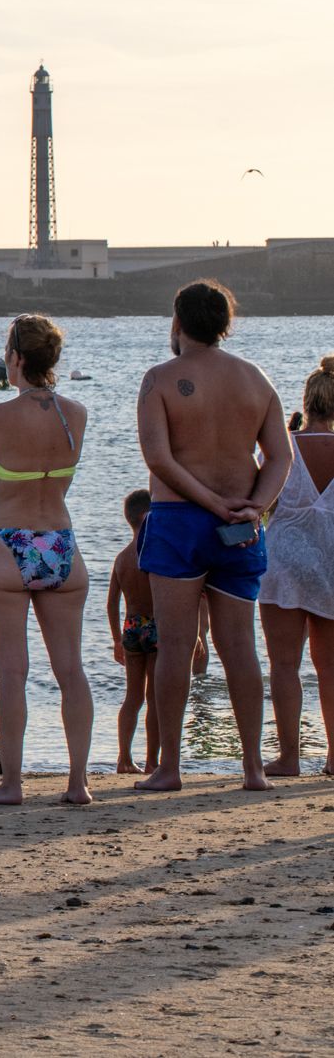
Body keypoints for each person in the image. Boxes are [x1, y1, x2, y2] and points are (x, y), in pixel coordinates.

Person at [135, 280, 292, 793]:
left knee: (176, 646)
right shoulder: (255, 379)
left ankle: (170, 767)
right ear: (226, 322)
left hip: (181, 518)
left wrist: (208, 502)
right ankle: (251, 767)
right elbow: (280, 457)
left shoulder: (160, 379)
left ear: (178, 322)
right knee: (239, 647)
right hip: (240, 524)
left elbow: (159, 459)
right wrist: (255, 505)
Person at [0, 314, 93, 806]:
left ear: (15, 358)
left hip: (7, 541)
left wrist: (0, 479)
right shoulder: (76, 412)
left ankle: (13, 783)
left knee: (13, 671)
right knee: (71, 671)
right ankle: (78, 782)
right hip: (60, 542)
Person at [260, 356, 334, 776]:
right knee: (332, 668)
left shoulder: (282, 448)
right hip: (332, 564)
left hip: (284, 563)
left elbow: (261, 503)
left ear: (306, 402)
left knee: (284, 666)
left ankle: (289, 757)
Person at [107, 490, 159, 775]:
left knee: (133, 697)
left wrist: (116, 639)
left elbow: (111, 603)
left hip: (131, 627)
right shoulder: (154, 552)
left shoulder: (122, 557)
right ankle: (152, 761)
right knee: (155, 698)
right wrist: (197, 631)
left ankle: (124, 759)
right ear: (147, 516)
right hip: (156, 625)